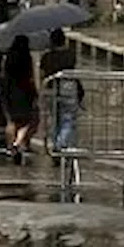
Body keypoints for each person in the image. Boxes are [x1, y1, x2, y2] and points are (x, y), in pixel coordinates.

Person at [39, 30, 81, 165]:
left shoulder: (46, 56)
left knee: (56, 120)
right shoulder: (70, 54)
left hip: (51, 89)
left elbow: (42, 74)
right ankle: (60, 146)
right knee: (67, 120)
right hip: (68, 88)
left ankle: (57, 146)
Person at [2, 35, 38, 165]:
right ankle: (18, 142)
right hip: (24, 92)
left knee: (11, 121)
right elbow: (31, 77)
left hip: (9, 92)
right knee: (27, 121)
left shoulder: (8, 58)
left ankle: (10, 147)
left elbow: (4, 75)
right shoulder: (27, 59)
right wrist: (35, 93)